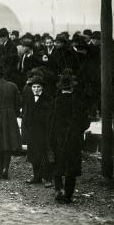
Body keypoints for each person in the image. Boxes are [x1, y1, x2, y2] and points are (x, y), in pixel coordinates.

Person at [49, 74, 91, 203]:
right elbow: (86, 123)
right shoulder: (79, 104)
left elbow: (49, 124)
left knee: (58, 165)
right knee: (71, 168)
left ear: (60, 88)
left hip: (58, 139)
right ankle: (68, 195)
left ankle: (58, 189)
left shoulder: (54, 103)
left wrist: (51, 139)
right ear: (72, 88)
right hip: (74, 140)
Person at [22, 76, 53, 187]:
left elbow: (49, 118)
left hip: (44, 132)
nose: (35, 89)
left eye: (38, 87)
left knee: (45, 155)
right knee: (34, 154)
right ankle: (37, 177)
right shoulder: (29, 99)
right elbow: (26, 116)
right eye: (34, 87)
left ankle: (48, 178)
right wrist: (26, 131)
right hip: (32, 131)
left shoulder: (48, 99)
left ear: (42, 87)